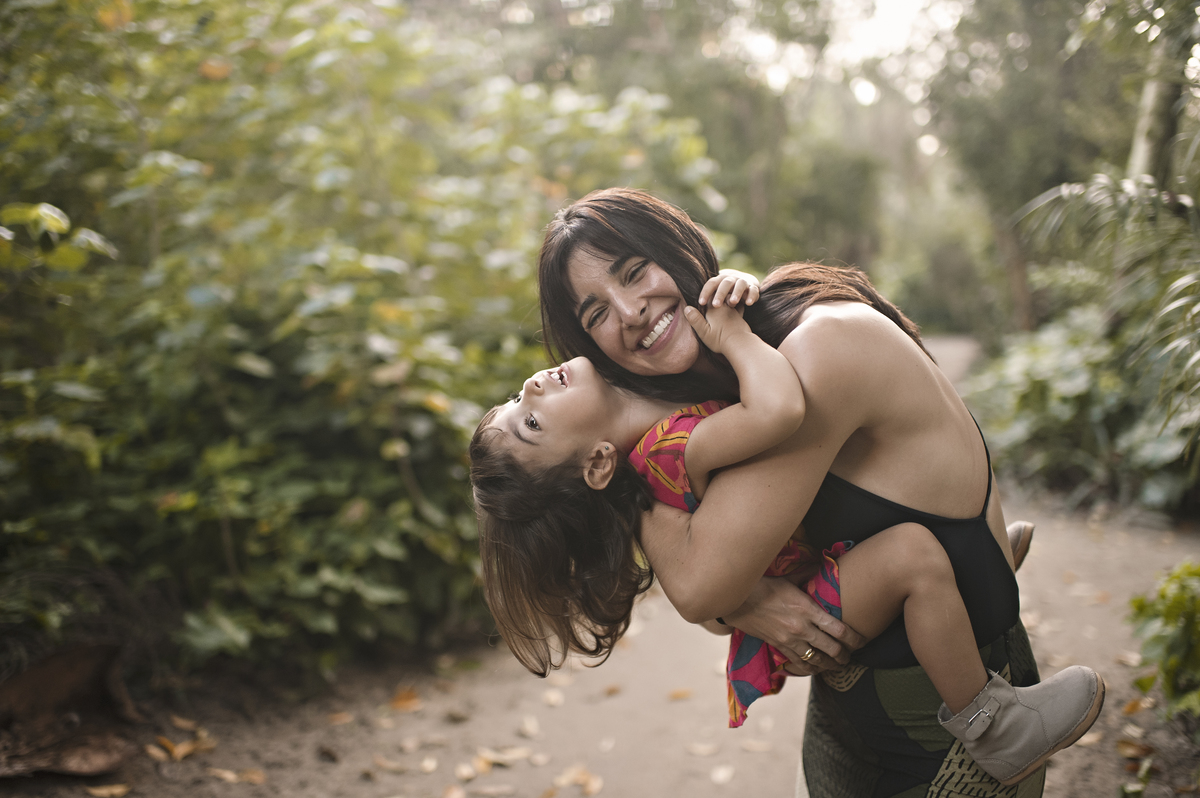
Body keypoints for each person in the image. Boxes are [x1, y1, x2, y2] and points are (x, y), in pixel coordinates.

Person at [531, 187, 1074, 796]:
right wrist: (747, 601)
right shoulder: (706, 404)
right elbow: (712, 600)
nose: (630, 311)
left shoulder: (814, 348)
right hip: (845, 718)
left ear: (678, 247)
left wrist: (738, 597)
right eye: (596, 314)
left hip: (951, 729)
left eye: (635, 272)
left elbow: (700, 587)